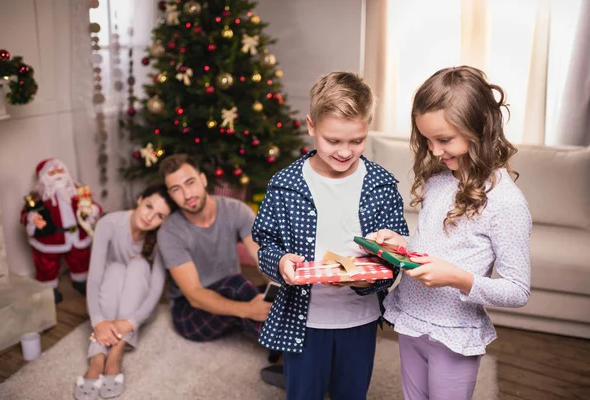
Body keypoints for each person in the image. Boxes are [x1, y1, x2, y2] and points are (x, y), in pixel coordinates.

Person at [372, 66, 532, 400]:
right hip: (411, 318)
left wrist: (458, 279)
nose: (433, 150)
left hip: (454, 332)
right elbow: (432, 247)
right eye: (427, 139)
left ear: (480, 129)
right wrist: (402, 245)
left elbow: (517, 291)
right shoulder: (438, 181)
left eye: (443, 140)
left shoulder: (505, 201)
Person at [251, 71, 409, 400]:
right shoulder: (285, 184)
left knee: (352, 394)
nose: (344, 151)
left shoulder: (381, 184)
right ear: (311, 126)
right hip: (304, 321)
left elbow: (397, 256)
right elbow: (265, 243)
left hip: (359, 320)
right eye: (332, 141)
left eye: (356, 140)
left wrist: (368, 279)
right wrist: (280, 262)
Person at [156, 154, 283, 385]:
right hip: (190, 312)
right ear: (170, 194)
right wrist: (247, 310)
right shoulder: (169, 232)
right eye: (176, 189)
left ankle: (299, 350)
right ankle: (296, 360)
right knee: (239, 285)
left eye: (190, 183)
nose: (186, 195)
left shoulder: (235, 209)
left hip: (232, 295)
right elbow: (194, 295)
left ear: (203, 179)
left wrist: (277, 289)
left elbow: (262, 259)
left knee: (278, 292)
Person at [74, 183, 176, 400]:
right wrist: (99, 321)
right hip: (107, 301)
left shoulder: (161, 237)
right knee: (115, 268)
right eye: (149, 206)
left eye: (159, 216)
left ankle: (116, 353)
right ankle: (98, 355)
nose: (150, 217)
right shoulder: (109, 223)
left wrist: (131, 323)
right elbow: (94, 278)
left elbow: (157, 287)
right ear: (139, 199)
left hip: (137, 311)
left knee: (138, 265)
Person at [21, 158, 102, 303]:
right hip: (51, 238)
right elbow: (25, 214)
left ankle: (81, 281)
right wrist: (32, 219)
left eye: (60, 170)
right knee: (47, 265)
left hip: (76, 235)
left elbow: (93, 205)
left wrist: (92, 210)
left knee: (80, 259)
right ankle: (49, 288)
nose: (57, 174)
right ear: (44, 177)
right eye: (52, 172)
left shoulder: (76, 190)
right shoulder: (38, 196)